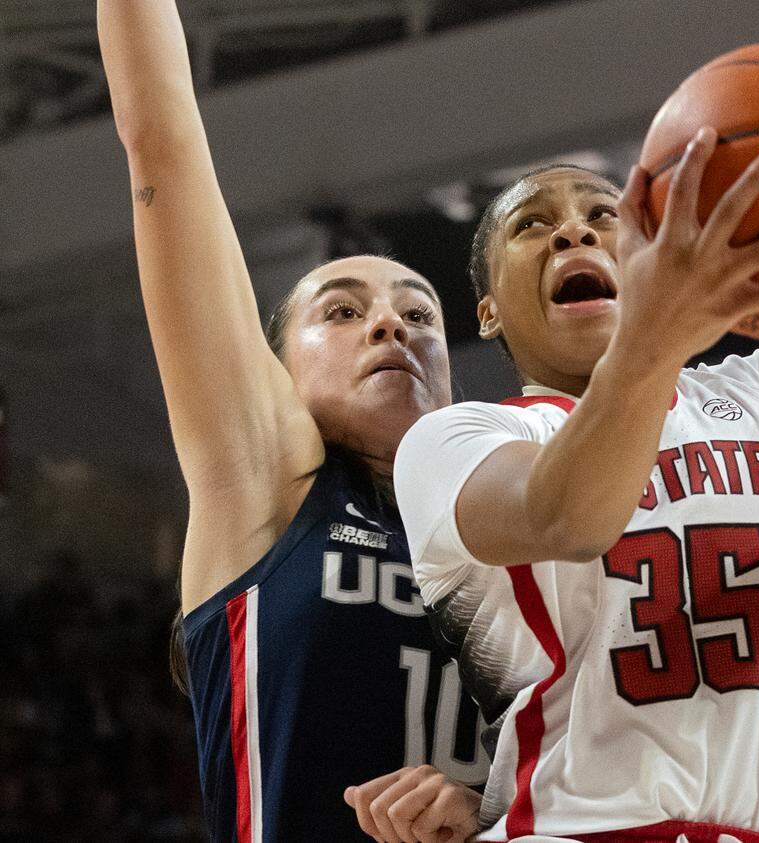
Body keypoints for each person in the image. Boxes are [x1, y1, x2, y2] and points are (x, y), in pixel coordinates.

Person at [383, 61, 759, 841]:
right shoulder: (455, 440)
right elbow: (569, 515)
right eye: (531, 224)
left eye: (604, 213)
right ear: (490, 311)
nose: (574, 229)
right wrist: (656, 337)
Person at [97, 2, 488, 840]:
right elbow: (161, 135)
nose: (393, 325)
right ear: (270, 373)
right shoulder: (266, 487)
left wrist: (485, 810)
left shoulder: (512, 530)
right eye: (342, 311)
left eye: (421, 315)